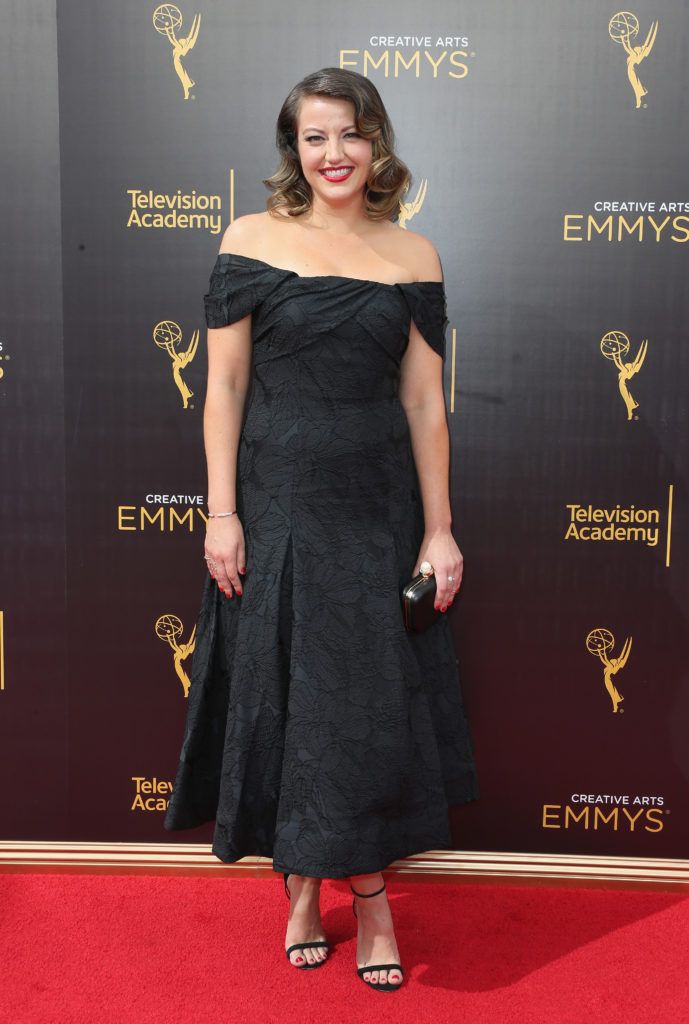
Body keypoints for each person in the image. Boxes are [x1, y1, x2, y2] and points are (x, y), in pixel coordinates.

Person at [164, 66, 479, 992]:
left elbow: (425, 404)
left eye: (348, 133)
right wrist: (221, 514)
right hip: (278, 501)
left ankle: (371, 896)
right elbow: (222, 387)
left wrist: (439, 531)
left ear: (375, 143)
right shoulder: (250, 239)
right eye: (313, 137)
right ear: (293, 151)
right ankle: (301, 888)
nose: (332, 153)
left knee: (366, 707)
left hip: (376, 509)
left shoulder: (413, 255)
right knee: (289, 702)